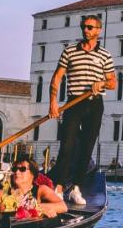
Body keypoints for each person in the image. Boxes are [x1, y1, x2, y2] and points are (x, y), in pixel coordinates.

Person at [48, 14, 117, 207]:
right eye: (84, 27)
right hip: (73, 103)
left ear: (98, 31)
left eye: (90, 27)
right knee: (67, 146)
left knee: (87, 147)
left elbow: (113, 82)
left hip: (95, 104)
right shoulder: (69, 52)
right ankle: (59, 188)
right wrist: (53, 103)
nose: (86, 30)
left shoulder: (105, 55)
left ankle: (76, 188)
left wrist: (101, 82)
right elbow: (56, 78)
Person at [0, 155, 67, 223]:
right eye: (14, 169)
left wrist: (41, 208)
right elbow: (7, 213)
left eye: (22, 169)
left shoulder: (41, 189)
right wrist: (37, 209)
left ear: (33, 174)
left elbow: (63, 206)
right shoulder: (2, 193)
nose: (17, 172)